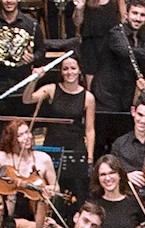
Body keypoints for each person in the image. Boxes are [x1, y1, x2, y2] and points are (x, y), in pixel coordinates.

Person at [21, 53, 96, 191]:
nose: (69, 72)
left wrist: (90, 158)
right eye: (65, 69)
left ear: (79, 70)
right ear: (61, 72)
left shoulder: (88, 97)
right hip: (52, 145)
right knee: (51, 188)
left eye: (73, 68)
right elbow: (27, 99)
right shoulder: (51, 89)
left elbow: (90, 130)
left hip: (75, 147)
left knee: (76, 190)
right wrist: (34, 80)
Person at [73, 0, 127, 97]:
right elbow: (77, 21)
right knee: (90, 80)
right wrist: (79, 7)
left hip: (110, 42)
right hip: (90, 42)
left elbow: (123, 18)